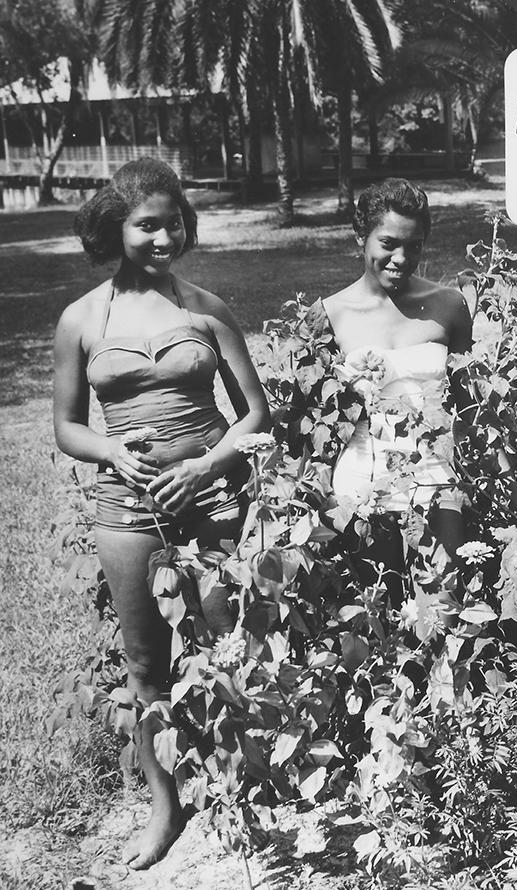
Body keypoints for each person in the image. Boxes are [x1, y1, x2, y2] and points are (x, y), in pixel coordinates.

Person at [53, 158, 270, 868]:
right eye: (147, 225)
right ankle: (165, 807)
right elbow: (67, 427)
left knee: (224, 647)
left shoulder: (205, 309)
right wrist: (114, 452)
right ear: (114, 230)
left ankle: (238, 788)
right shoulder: (83, 319)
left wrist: (207, 465)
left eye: (173, 222)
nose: (163, 235)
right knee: (147, 666)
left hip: (211, 499)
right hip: (126, 509)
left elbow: (256, 414)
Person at [310, 178, 471, 597]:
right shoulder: (329, 314)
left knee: (443, 604)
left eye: (414, 245)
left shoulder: (449, 306)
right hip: (362, 482)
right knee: (376, 609)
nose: (402, 258)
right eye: (388, 243)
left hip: (435, 475)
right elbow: (318, 419)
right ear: (360, 237)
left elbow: (469, 404)